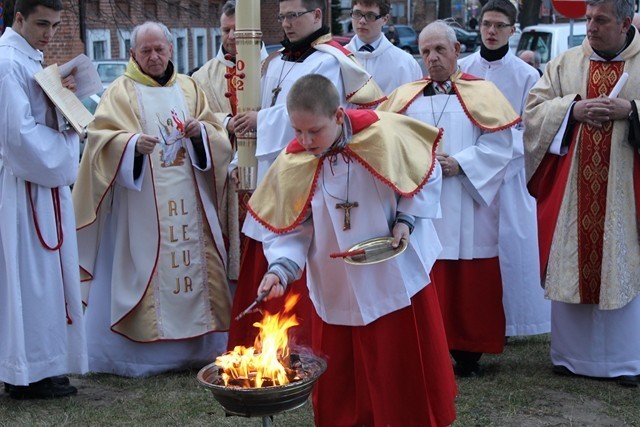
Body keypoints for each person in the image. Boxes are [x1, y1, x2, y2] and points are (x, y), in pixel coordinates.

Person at [247, 73, 456, 427]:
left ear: (339, 116)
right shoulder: (295, 161)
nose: (305, 140)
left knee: (397, 368)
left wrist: (406, 219)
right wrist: (280, 268)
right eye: (297, 131)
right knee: (343, 378)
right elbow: (293, 227)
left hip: (391, 271)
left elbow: (424, 173)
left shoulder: (382, 134)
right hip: (335, 282)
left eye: (314, 131)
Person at [72, 21, 233, 377]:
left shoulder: (191, 89)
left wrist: (200, 135)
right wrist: (130, 146)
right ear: (133, 54)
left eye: (160, 49)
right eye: (145, 51)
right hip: (143, 205)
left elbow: (217, 134)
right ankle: (142, 358)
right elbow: (100, 140)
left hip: (191, 200)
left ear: (171, 50)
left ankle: (198, 348)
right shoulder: (121, 92)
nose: (154, 56)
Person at [226, 0, 384, 350]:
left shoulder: (329, 60)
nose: (286, 24)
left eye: (293, 16)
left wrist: (260, 122)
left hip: (306, 172)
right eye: (282, 16)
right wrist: (243, 162)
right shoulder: (274, 60)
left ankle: (298, 345)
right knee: (271, 249)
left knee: (297, 245)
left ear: (316, 16)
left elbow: (316, 117)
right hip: (271, 172)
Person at [378, 20, 519, 377]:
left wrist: (461, 163)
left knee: (468, 278)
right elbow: (390, 143)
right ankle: (426, 346)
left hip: (468, 201)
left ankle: (469, 352)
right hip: (423, 206)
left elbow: (501, 145)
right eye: (425, 51)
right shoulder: (406, 97)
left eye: (440, 49)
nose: (432, 57)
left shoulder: (482, 93)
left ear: (458, 51)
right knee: (427, 268)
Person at [524, 0, 640, 387]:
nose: (590, 27)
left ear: (625, 23)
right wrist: (572, 110)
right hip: (574, 194)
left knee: (621, 262)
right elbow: (534, 112)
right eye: (588, 19)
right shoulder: (566, 63)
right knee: (575, 260)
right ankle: (571, 357)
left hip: (627, 194)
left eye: (601, 20)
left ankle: (627, 360)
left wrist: (632, 109)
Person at [0, 0, 87, 399]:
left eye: (54, 25)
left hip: (41, 184)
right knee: (28, 279)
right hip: (21, 186)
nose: (49, 34)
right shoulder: (7, 63)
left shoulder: (30, 58)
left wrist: (64, 108)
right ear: (18, 18)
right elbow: (18, 138)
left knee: (47, 278)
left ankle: (46, 365)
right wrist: (67, 138)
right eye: (41, 24)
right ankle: (26, 372)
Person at [459, 0, 550, 339]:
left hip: (510, 177)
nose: (492, 31)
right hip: (469, 175)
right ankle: (474, 319)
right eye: (486, 24)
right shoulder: (463, 68)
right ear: (478, 26)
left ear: (513, 30)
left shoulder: (526, 75)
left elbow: (531, 128)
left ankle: (515, 320)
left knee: (513, 250)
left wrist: (496, 152)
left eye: (499, 25)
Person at [192, 0, 268, 284]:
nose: (232, 36)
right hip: (223, 173)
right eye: (226, 30)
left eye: (238, 30)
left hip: (264, 167)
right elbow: (196, 116)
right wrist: (225, 122)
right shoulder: (202, 76)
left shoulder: (273, 67)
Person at [345, 0, 422, 95]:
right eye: (357, 14)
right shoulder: (337, 58)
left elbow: (416, 106)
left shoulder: (406, 64)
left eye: (370, 16)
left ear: (385, 19)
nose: (362, 21)